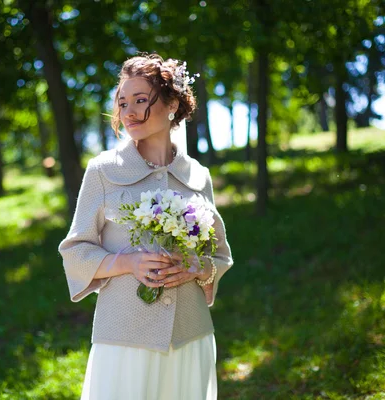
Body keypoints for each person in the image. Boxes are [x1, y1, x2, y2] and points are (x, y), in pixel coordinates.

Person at [58, 53, 233, 400]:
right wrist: (129, 262)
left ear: (172, 103)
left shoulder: (199, 177)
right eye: (123, 103)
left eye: (141, 100)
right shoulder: (103, 171)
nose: (130, 112)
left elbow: (220, 256)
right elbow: (75, 251)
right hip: (125, 336)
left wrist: (198, 268)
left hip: (191, 334)